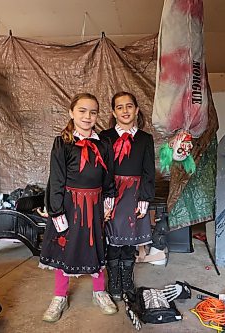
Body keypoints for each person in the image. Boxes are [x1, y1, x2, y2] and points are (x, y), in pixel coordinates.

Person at [39, 93, 118, 323]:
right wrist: (56, 211)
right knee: (64, 247)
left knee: (96, 246)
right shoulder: (62, 142)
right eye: (82, 111)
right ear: (71, 113)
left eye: (93, 112)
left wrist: (108, 201)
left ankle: (99, 291)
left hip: (94, 206)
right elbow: (56, 179)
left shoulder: (103, 144)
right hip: (70, 205)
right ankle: (59, 296)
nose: (87, 116)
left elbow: (108, 177)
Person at [100, 92, 155, 300]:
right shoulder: (104, 137)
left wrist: (145, 198)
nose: (125, 110)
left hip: (134, 194)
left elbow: (149, 170)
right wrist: (106, 195)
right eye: (120, 107)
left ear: (136, 110)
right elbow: (101, 168)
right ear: (114, 112)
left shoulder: (145, 139)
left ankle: (127, 279)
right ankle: (114, 280)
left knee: (129, 241)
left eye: (129, 106)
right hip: (112, 193)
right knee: (113, 240)